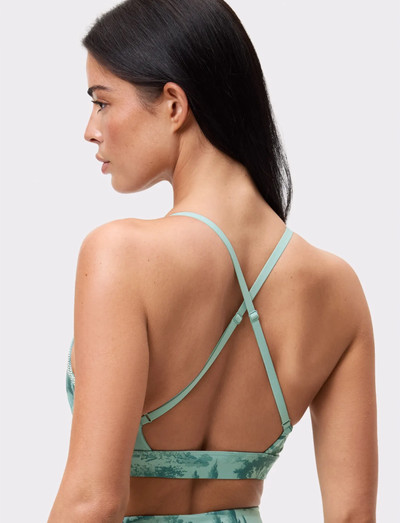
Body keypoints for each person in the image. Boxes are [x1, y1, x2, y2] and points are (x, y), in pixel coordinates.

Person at [47, 0, 378, 521]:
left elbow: (93, 501)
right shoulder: (338, 287)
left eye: (102, 102)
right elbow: (354, 517)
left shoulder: (120, 255)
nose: (90, 129)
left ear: (174, 104)